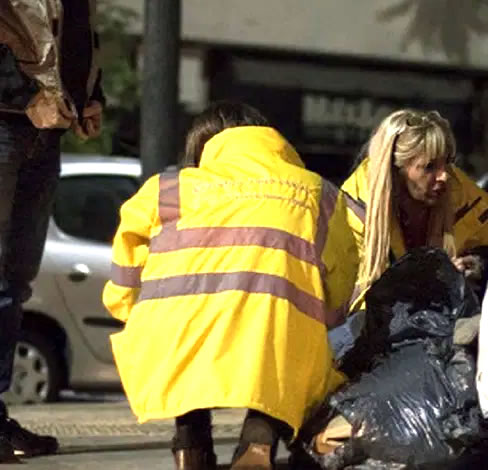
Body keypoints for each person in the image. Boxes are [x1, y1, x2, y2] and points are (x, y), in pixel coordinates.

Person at [103, 102, 359, 470]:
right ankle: (257, 443)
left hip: (175, 334)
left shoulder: (165, 189)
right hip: (272, 334)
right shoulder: (319, 193)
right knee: (283, 338)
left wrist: (129, 310)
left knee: (186, 338)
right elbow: (343, 272)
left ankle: (190, 444)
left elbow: (126, 260)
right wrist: (328, 322)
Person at [0, 0, 103, 462]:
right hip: (6, 121)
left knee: (17, 279)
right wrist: (25, 97)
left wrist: (89, 95)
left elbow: (81, 33)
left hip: (48, 131)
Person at [341, 109, 488, 309]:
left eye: (447, 163)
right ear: (396, 170)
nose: (444, 176)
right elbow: (355, 299)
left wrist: (479, 262)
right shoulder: (354, 209)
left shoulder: (466, 197)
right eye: (429, 167)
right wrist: (429, 284)